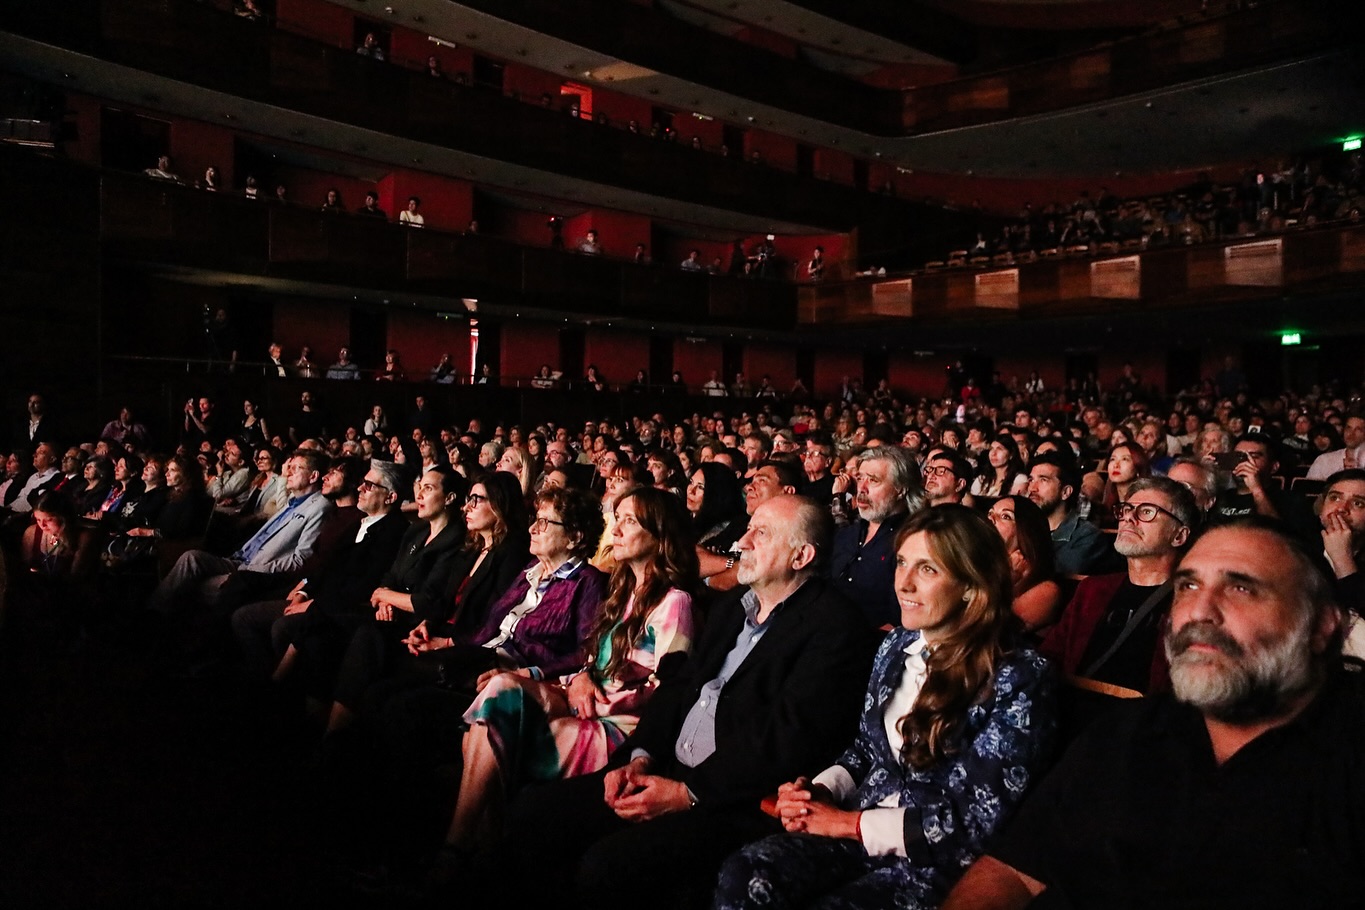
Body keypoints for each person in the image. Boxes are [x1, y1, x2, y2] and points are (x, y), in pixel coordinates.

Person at [471, 495, 873, 910]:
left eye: (761, 533)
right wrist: (639, 757)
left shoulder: (835, 628)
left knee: (608, 865)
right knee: (534, 812)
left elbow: (786, 740)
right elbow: (679, 687)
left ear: (801, 556)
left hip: (734, 799)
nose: (742, 541)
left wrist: (687, 793)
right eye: (748, 527)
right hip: (668, 769)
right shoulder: (733, 607)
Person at [940, 518, 1361, 910]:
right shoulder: (1124, 730)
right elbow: (1013, 870)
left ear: (1323, 625)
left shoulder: (1347, 759)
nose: (1199, 612)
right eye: (1188, 586)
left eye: (1240, 588)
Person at [715, 505, 1056, 910]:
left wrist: (848, 824)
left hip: (936, 859)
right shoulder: (896, 646)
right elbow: (865, 749)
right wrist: (817, 792)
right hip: (857, 827)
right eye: (902, 563)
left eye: (927, 569)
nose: (904, 584)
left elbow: (978, 819)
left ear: (970, 584)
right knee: (747, 873)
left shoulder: (1020, 676)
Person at [436, 488, 697, 865]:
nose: (615, 530)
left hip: (621, 722)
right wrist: (582, 678)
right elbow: (591, 661)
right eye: (617, 519)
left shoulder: (675, 602)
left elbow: (669, 689)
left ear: (660, 536)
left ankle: (462, 850)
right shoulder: (622, 593)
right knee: (500, 687)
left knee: (495, 736)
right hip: (584, 698)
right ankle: (471, 848)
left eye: (629, 522)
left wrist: (593, 695)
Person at [1041, 476, 1198, 697]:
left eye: (1146, 512)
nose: (1128, 518)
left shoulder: (1193, 604)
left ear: (1179, 536)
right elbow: (1049, 657)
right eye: (1126, 510)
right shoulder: (1092, 589)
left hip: (1144, 717)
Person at [147, 450, 334, 615]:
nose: (288, 472)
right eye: (289, 467)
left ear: (313, 476)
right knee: (191, 558)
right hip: (239, 560)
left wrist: (254, 570)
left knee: (192, 585)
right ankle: (154, 610)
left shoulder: (319, 507)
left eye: (296, 468)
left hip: (254, 572)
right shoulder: (293, 500)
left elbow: (301, 559)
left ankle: (158, 618)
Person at [829, 446, 925, 627]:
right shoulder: (848, 534)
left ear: (900, 490)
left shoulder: (913, 541)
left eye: (873, 480)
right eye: (860, 478)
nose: (862, 489)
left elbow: (898, 622)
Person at [1026, 452, 1117, 576]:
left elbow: (1057, 574)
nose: (1032, 488)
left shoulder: (1087, 537)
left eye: (1043, 480)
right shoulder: (1024, 528)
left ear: (1065, 492)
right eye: (1031, 480)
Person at [987, 495, 1064, 634]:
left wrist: (1010, 577)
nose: (990, 519)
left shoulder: (1047, 590)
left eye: (1005, 516)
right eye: (990, 513)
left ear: (1026, 532)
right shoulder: (977, 563)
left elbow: (994, 630)